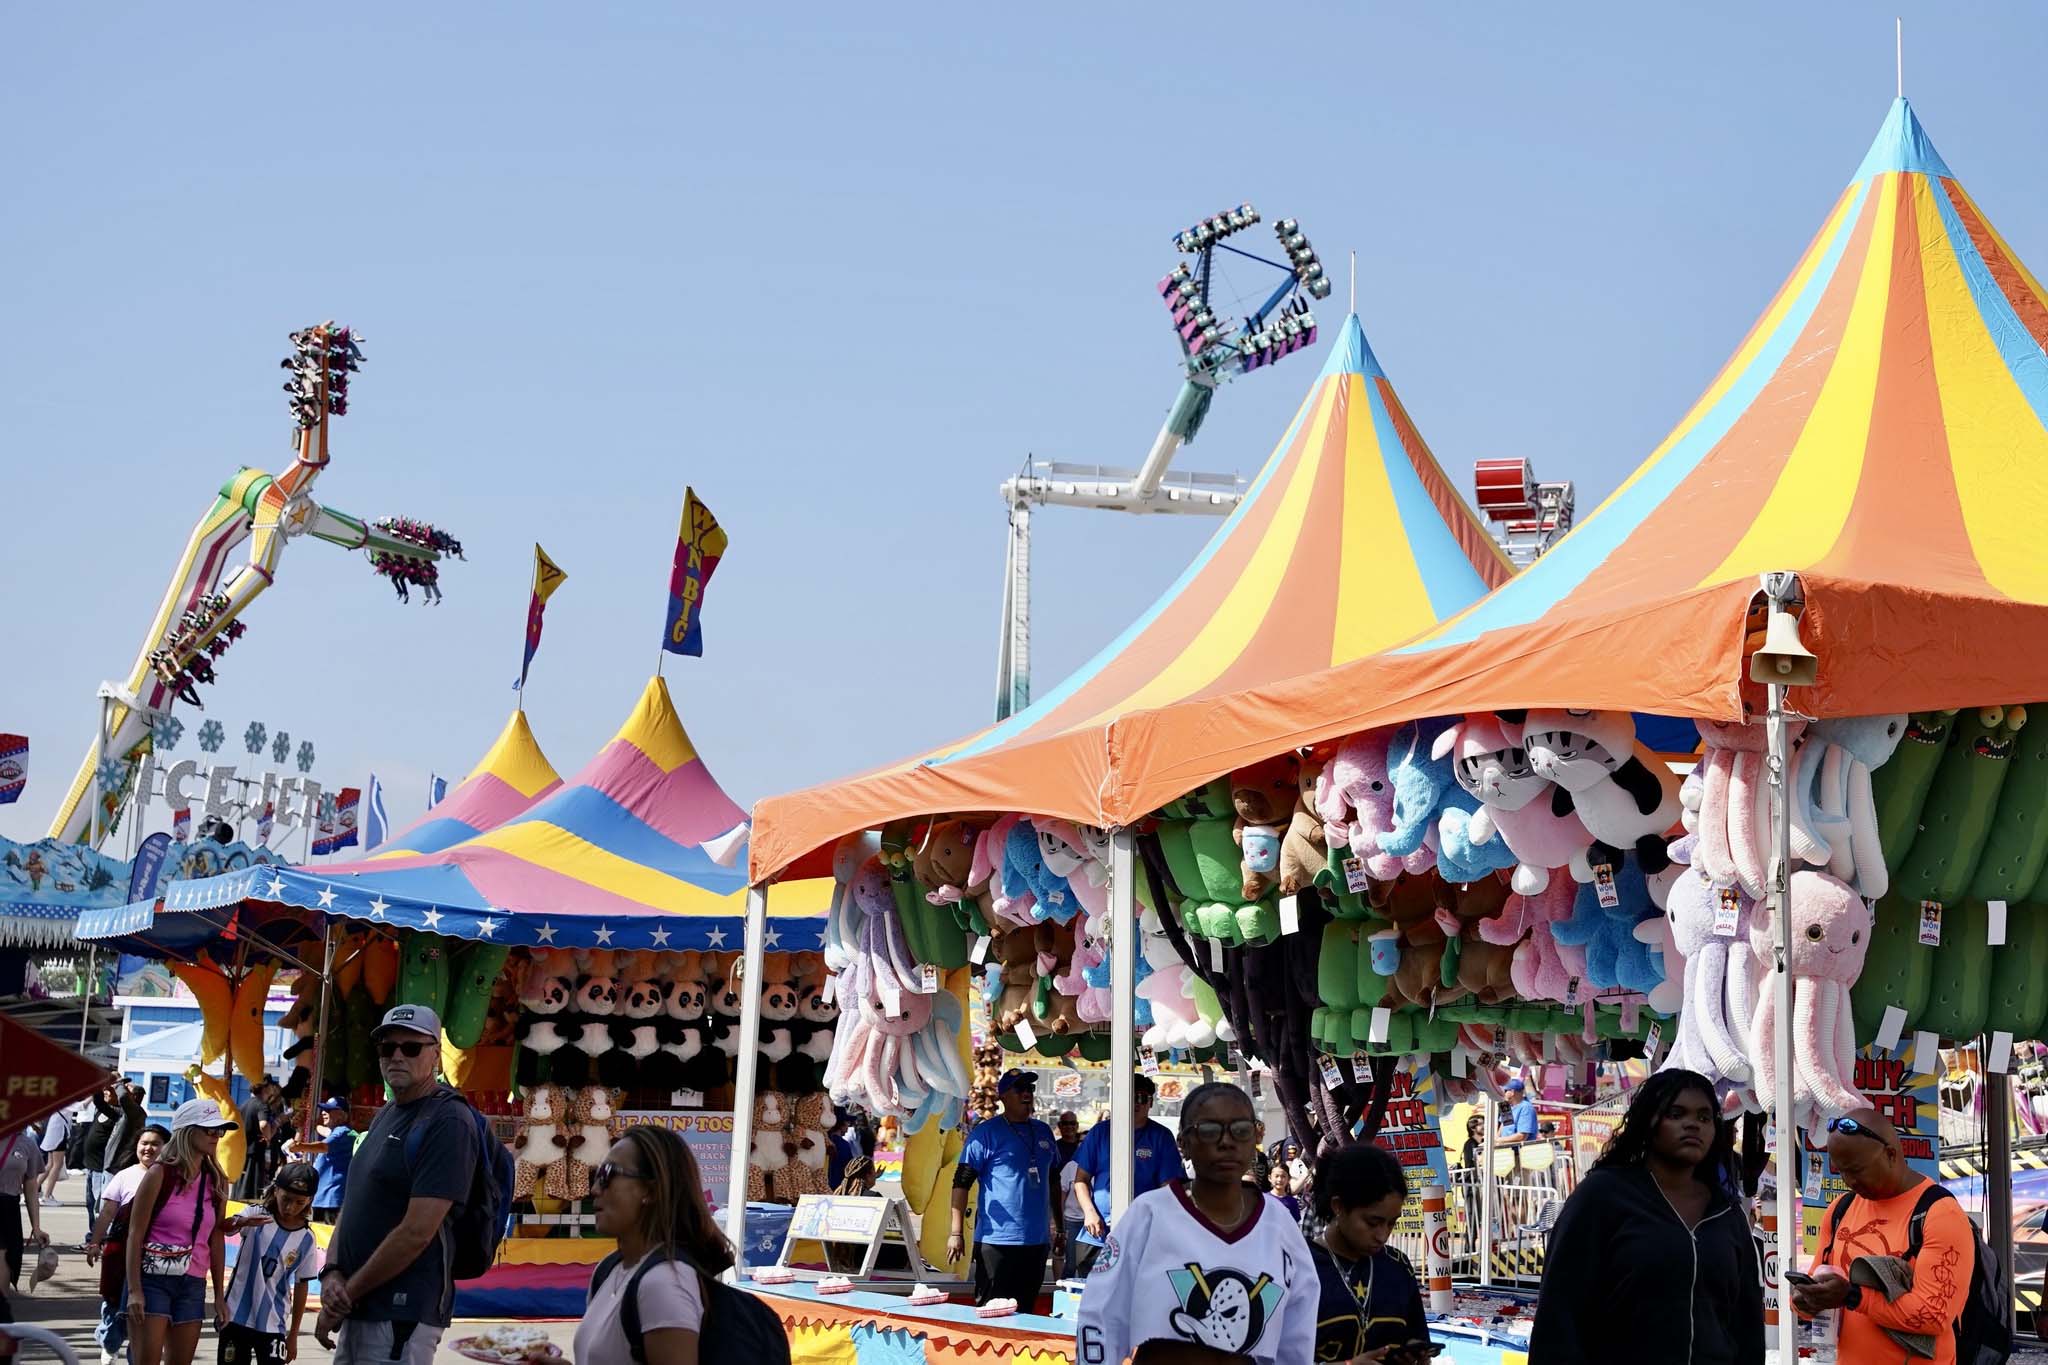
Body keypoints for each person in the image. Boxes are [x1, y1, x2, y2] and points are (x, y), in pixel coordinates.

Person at [1527, 1068, 1762, 1364]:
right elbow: (1559, 1311)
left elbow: (1747, 1324)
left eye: (1704, 1118)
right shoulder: (1603, 1196)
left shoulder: (1726, 1212)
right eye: (1676, 1114)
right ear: (1649, 1121)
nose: (1693, 1125)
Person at [1077, 1082, 1318, 1364]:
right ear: (1184, 1143)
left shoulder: (1279, 1224)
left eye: (1240, 1130)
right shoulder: (1149, 1216)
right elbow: (1102, 1314)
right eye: (1209, 1130)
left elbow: (1297, 1329)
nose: (1226, 1141)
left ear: (1254, 1138)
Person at [316, 1004, 480, 1365]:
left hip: (401, 1312)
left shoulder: (448, 1120)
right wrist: (331, 1272)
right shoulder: (388, 1113)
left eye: (410, 1047)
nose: (396, 1056)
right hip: (362, 1306)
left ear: (436, 1055)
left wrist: (344, 1295)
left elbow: (417, 1232)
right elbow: (355, 1199)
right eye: (387, 1047)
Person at [1793, 1108, 1977, 1365]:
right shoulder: (1840, 1210)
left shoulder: (1939, 1213)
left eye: (1856, 1170)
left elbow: (1934, 1315)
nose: (1849, 1181)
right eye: (1841, 1171)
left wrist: (1852, 1296)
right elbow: (1816, 1293)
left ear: (1891, 1154)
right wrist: (1806, 1300)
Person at [575, 1124, 738, 1365]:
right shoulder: (608, 1270)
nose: (595, 1189)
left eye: (608, 1174)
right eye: (596, 1175)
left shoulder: (664, 1282)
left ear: (650, 1190)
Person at [125, 1098, 239, 1365]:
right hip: (152, 1279)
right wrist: (134, 1290)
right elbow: (135, 1233)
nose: (216, 1136)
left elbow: (216, 1237)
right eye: (209, 1130)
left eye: (219, 1130)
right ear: (188, 1132)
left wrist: (219, 1296)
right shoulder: (159, 1174)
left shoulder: (218, 1180)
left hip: (194, 1283)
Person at [947, 1069, 1061, 1306]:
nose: (1027, 1093)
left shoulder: (1043, 1131)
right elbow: (961, 1183)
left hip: (1036, 1241)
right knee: (992, 1311)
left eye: (1030, 1088)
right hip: (997, 1240)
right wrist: (956, 1233)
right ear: (1003, 1097)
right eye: (1019, 1089)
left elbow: (1053, 1180)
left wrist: (1059, 1228)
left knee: (1026, 1310)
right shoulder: (986, 1133)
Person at [1309, 1142, 1429, 1363]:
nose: (1382, 1236)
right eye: (1373, 1222)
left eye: (1392, 1223)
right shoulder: (1297, 1267)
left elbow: (1415, 1334)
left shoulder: (1398, 1266)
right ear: (1338, 1206)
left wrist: (1415, 1354)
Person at [1071, 1073, 1185, 1278]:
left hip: (1142, 1235)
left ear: (1151, 1103)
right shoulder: (1100, 1132)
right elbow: (1081, 1180)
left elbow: (1169, 1187)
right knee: (1089, 1300)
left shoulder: (1160, 1136)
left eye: (1142, 1098)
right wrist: (1089, 1213)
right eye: (1131, 1096)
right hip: (1097, 1234)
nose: (1136, 1103)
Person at [220, 1162, 323, 1365]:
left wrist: (293, 1335)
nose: (290, 1207)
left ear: (309, 1201)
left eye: (299, 1202)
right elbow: (224, 1227)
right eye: (286, 1199)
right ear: (276, 1190)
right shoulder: (255, 1213)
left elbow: (302, 1284)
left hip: (274, 1323)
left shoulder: (307, 1238)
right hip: (235, 1316)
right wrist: (240, 1223)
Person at [86, 1122, 170, 1365]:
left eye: (156, 1144)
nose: (149, 1148)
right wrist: (95, 1242)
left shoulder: (172, 1177)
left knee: (144, 1314)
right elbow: (107, 1212)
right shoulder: (125, 1175)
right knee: (114, 1306)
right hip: (120, 1252)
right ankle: (109, 1344)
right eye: (144, 1143)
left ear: (166, 1148)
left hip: (154, 1257)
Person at [0, 1127, 47, 1289]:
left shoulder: (26, 1143)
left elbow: (31, 1187)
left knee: (11, 1259)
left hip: (9, 1209)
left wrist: (36, 1227)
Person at [309, 1100, 354, 1225]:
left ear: (341, 1114)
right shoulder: (338, 1131)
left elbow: (323, 1147)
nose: (324, 1113)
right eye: (323, 1110)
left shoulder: (343, 1131)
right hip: (324, 1198)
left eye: (328, 1110)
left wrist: (299, 1146)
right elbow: (324, 1131)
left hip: (331, 1199)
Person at [83, 1086, 121, 1220]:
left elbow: (99, 1101)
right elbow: (98, 1101)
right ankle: (91, 1235)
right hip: (90, 1167)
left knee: (99, 1208)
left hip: (101, 1168)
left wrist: (101, 1084)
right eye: (104, 1090)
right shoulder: (100, 1110)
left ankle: (97, 1238)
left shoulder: (118, 1113)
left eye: (110, 1091)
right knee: (90, 1204)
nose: (106, 1093)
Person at [234, 1081, 276, 1202]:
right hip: (255, 1153)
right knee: (251, 1190)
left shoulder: (244, 1105)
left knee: (240, 1187)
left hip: (242, 1152)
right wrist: (268, 1137)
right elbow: (263, 1124)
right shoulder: (262, 1105)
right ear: (266, 1088)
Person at [104, 1084, 149, 1177]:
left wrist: (119, 1084)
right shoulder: (127, 1112)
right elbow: (103, 1105)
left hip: (118, 1165)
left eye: (128, 1091)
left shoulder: (135, 1112)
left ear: (134, 1096)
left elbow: (123, 1097)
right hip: (113, 1164)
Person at [37, 1108, 71, 1204]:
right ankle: (47, 1196)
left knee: (50, 1164)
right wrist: (91, 1097)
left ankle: (32, 1192)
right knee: (57, 1165)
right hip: (59, 1133)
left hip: (53, 1132)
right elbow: (81, 1106)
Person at [1497, 1078, 1538, 1149]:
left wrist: (1498, 1141)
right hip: (1505, 1151)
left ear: (1512, 1092)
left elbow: (1522, 1136)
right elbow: (1503, 1127)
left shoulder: (1526, 1107)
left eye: (1505, 1091)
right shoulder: (1505, 1106)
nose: (1502, 1093)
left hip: (1519, 1154)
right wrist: (1496, 1142)